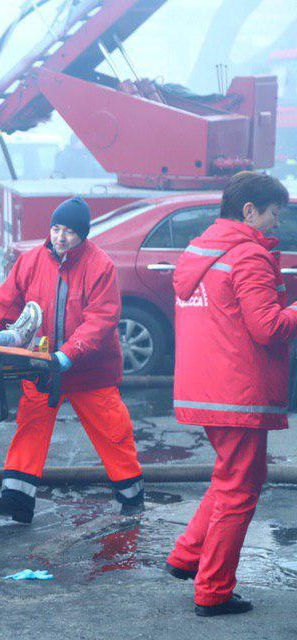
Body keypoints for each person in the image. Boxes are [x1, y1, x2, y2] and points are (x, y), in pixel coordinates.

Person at [164, 172, 297, 617]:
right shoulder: (249, 256)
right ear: (249, 210)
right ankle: (214, 591)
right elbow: (269, 328)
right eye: (274, 213)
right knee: (239, 489)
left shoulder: (201, 250)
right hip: (238, 392)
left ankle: (188, 556)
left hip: (207, 389)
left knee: (234, 478)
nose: (277, 222)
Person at [0, 196, 145, 523]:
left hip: (89, 372)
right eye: (56, 229)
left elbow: (101, 321)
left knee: (113, 432)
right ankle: (17, 501)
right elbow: (5, 301)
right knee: (30, 429)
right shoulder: (31, 261)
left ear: (82, 234)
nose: (60, 237)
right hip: (42, 367)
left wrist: (66, 356)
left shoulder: (100, 266)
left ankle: (132, 497)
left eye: (69, 231)